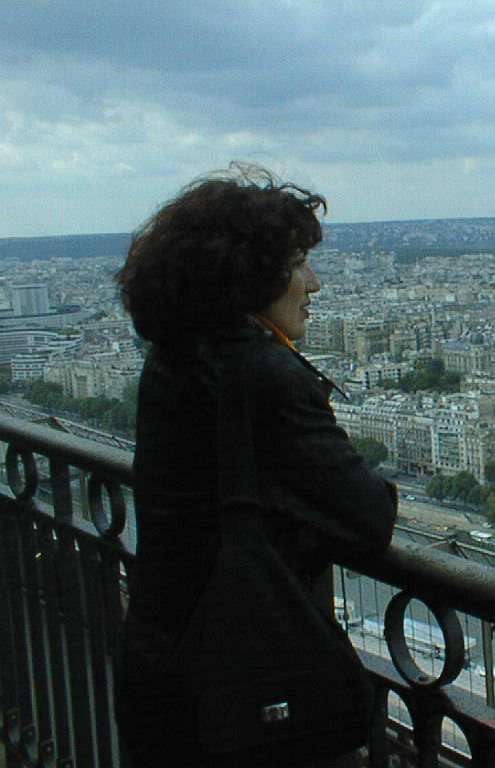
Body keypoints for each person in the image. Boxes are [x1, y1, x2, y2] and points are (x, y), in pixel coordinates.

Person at [114, 163, 398, 767]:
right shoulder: (259, 373)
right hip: (247, 696)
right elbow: (368, 516)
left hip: (166, 667)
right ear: (252, 276)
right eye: (299, 264)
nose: (314, 283)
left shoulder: (175, 357)